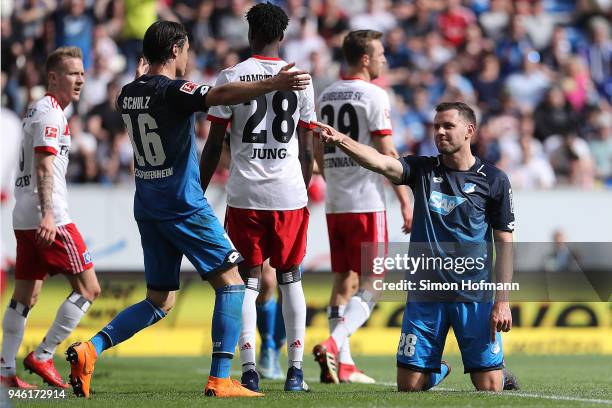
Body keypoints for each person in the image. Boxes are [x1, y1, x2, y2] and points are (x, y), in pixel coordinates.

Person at [65, 20, 311, 399]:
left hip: (148, 206)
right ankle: (220, 379)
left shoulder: (128, 93)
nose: (189, 57)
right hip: (183, 205)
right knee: (231, 283)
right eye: (187, 49)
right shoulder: (174, 91)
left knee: (160, 300)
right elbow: (221, 94)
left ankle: (90, 349)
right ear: (177, 49)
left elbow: (128, 99)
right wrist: (272, 84)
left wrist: (140, 79)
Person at [314, 101, 519, 392]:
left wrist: (502, 300)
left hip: (474, 296)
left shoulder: (495, 180)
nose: (440, 132)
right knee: (409, 387)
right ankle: (441, 368)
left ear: (469, 131)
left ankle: (499, 373)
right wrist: (341, 140)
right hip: (426, 295)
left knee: (489, 388)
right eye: (437, 126)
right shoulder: (422, 170)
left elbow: (505, 244)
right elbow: (381, 162)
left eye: (448, 126)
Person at [200, 2, 315, 393]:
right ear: (282, 36)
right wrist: (303, 186)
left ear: (249, 34)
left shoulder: (231, 77)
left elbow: (214, 144)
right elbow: (307, 145)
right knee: (290, 279)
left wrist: (198, 192)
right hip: (289, 194)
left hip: (245, 193)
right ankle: (295, 372)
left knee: (247, 280)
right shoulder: (300, 78)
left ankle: (248, 370)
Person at [312, 30, 412, 384]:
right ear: (366, 59)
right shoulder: (374, 94)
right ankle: (334, 343)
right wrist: (404, 198)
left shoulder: (325, 94)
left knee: (344, 279)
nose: (385, 59)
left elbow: (315, 147)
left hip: (337, 201)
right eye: (381, 53)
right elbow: (387, 153)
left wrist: (331, 177)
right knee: (376, 280)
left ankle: (345, 363)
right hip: (367, 201)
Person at [1, 46, 101, 389]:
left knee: (25, 296)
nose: (80, 80)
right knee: (89, 289)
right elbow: (44, 166)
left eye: (83, 74)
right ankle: (43, 355)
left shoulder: (39, 110)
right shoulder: (50, 114)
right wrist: (47, 215)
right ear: (53, 77)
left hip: (24, 214)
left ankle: (4, 372)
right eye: (73, 73)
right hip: (50, 215)